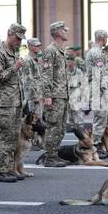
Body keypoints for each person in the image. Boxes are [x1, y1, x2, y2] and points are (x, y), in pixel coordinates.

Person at [0, 23, 27, 182]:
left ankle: (9, 168)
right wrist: (15, 67)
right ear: (9, 34)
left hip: (16, 101)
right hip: (5, 102)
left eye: (20, 39)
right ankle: (0, 171)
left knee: (13, 137)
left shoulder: (14, 51)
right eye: (17, 38)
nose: (19, 42)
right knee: (4, 137)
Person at [40, 21, 71, 167]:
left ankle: (55, 153)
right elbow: (47, 75)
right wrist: (47, 95)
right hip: (54, 95)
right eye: (64, 29)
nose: (67, 31)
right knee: (53, 126)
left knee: (61, 128)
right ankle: (49, 157)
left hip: (63, 94)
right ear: (57, 32)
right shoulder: (50, 51)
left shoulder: (61, 50)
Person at [86, 29, 108, 158]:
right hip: (98, 90)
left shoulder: (94, 51)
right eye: (106, 37)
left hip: (95, 88)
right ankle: (95, 145)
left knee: (100, 118)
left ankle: (97, 145)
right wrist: (106, 92)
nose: (107, 40)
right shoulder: (97, 53)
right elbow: (99, 74)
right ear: (102, 38)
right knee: (100, 118)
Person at [21, 38, 44, 118]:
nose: (38, 47)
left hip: (39, 94)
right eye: (36, 46)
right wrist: (34, 96)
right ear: (30, 47)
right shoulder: (27, 60)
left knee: (39, 120)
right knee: (33, 121)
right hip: (33, 97)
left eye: (38, 46)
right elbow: (28, 80)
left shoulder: (37, 60)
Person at [66, 56, 86, 131]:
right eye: (68, 62)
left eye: (70, 62)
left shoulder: (78, 71)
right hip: (67, 92)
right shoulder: (65, 71)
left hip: (76, 91)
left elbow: (83, 82)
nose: (69, 64)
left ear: (73, 63)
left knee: (77, 110)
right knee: (69, 110)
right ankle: (70, 125)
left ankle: (79, 125)